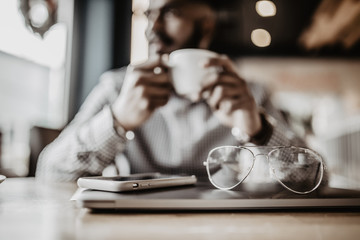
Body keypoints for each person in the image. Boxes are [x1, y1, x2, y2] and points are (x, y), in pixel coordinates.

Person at [36, 0, 306, 182]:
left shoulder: (249, 95)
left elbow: (314, 178)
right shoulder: (119, 88)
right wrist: (116, 121)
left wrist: (259, 131)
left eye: (172, 12)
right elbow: (50, 172)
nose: (153, 29)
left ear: (207, 26)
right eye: (150, 15)